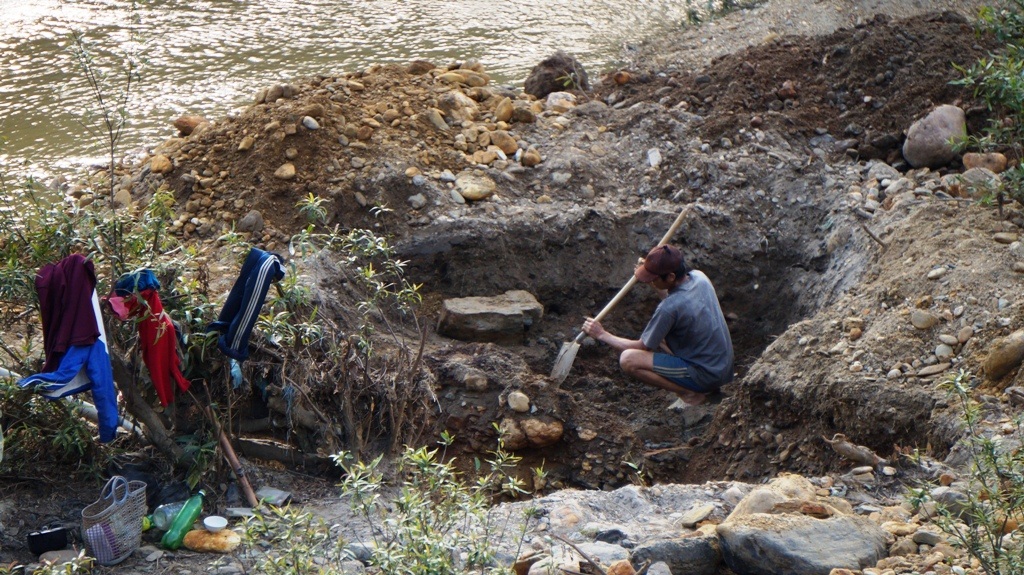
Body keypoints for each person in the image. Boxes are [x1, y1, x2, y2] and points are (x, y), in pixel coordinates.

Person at [582, 245, 733, 406]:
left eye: (654, 278)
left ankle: (689, 393)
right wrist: (651, 272)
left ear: (670, 277)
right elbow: (677, 304)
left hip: (706, 374)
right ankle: (695, 386)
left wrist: (601, 334)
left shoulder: (668, 308)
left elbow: (642, 347)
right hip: (723, 366)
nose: (650, 281)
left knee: (628, 359)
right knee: (659, 336)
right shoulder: (699, 277)